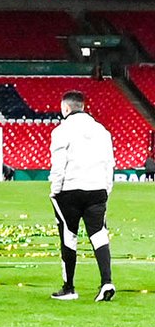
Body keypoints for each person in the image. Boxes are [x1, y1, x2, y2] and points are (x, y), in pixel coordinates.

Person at [49, 90, 116, 302]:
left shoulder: (61, 131)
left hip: (70, 189)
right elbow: (109, 164)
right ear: (83, 107)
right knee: (99, 234)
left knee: (69, 235)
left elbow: (59, 163)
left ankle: (69, 287)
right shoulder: (102, 131)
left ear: (65, 108)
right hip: (97, 189)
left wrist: (55, 189)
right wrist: (106, 189)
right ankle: (106, 281)